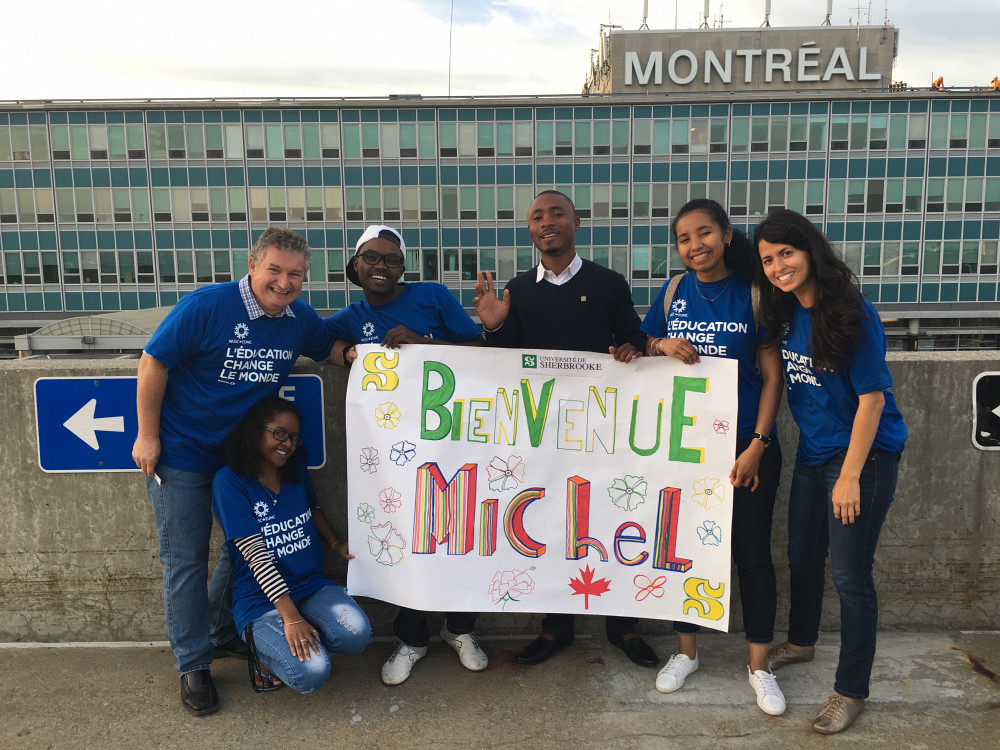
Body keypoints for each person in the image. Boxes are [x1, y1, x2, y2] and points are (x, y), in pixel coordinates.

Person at [132, 227, 337, 716]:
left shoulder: (297, 318)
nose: (284, 283)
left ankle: (222, 632)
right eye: (275, 270)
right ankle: (193, 664)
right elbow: (153, 361)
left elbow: (334, 348)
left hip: (239, 457)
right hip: (181, 453)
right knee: (184, 559)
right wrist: (148, 435)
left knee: (239, 550)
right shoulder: (207, 305)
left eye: (295, 275)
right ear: (252, 265)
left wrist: (375, 353)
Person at [473, 189, 658, 669]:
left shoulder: (608, 283)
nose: (547, 222)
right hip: (543, 437)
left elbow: (632, 335)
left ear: (576, 222)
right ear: (530, 230)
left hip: (602, 432)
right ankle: (557, 629)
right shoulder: (517, 289)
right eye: (537, 216)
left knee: (609, 527)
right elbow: (506, 364)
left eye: (557, 213)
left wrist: (631, 348)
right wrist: (494, 327)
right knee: (554, 528)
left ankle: (623, 627)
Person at [755, 209, 907, 735]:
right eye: (768, 260)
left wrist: (850, 477)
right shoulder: (786, 313)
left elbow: (871, 401)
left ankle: (850, 691)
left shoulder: (850, 313)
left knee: (850, 576)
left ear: (810, 251)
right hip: (814, 455)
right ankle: (801, 642)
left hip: (861, 459)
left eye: (786, 254)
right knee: (801, 555)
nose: (778, 266)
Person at [326, 224, 488, 685]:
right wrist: (348, 352)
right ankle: (413, 639)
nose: (382, 267)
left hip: (459, 443)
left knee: (468, 537)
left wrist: (425, 344)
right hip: (401, 457)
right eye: (372, 258)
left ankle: (460, 629)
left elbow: (482, 351)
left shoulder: (432, 296)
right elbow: (318, 344)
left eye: (392, 260)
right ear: (355, 265)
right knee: (410, 543)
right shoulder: (349, 315)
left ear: (403, 267)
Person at [641, 199, 785, 715]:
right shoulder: (675, 290)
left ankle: (759, 666)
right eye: (683, 238)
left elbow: (773, 377)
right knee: (687, 553)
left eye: (704, 233)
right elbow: (644, 341)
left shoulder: (754, 294)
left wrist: (758, 444)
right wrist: (661, 345)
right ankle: (687, 653)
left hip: (747, 450)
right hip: (687, 451)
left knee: (750, 555)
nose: (694, 245)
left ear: (726, 235)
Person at [213, 396, 370, 693]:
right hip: (262, 600)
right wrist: (291, 617)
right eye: (279, 434)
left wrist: (335, 543)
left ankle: (300, 638)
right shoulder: (230, 481)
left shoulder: (295, 469)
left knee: (357, 635)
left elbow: (314, 509)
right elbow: (256, 557)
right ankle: (264, 651)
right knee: (311, 673)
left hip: (309, 584)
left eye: (293, 437)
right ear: (255, 431)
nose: (287, 444)